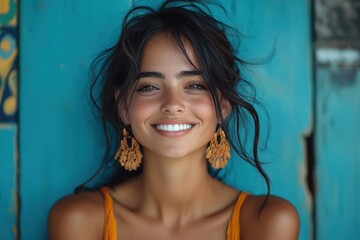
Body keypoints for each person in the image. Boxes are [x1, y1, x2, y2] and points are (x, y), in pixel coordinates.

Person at [48, 0, 300, 239]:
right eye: (148, 87)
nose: (172, 104)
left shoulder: (265, 222)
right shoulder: (79, 221)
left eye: (194, 85)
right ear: (123, 106)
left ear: (223, 106)